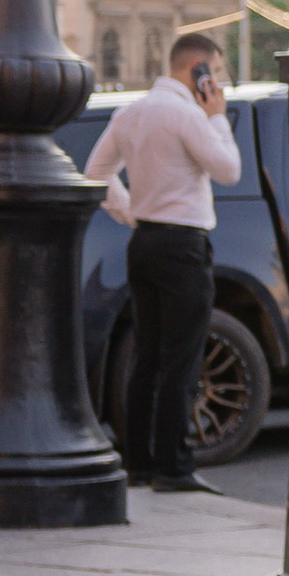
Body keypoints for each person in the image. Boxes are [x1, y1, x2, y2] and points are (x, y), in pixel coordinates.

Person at [90, 30, 241, 491]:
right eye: (213, 72)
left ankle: (138, 465)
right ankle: (173, 468)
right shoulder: (188, 115)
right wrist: (218, 119)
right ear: (197, 70)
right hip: (183, 247)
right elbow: (229, 171)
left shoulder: (130, 112)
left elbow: (95, 174)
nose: (215, 83)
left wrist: (131, 212)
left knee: (148, 357)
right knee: (182, 358)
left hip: (145, 244)